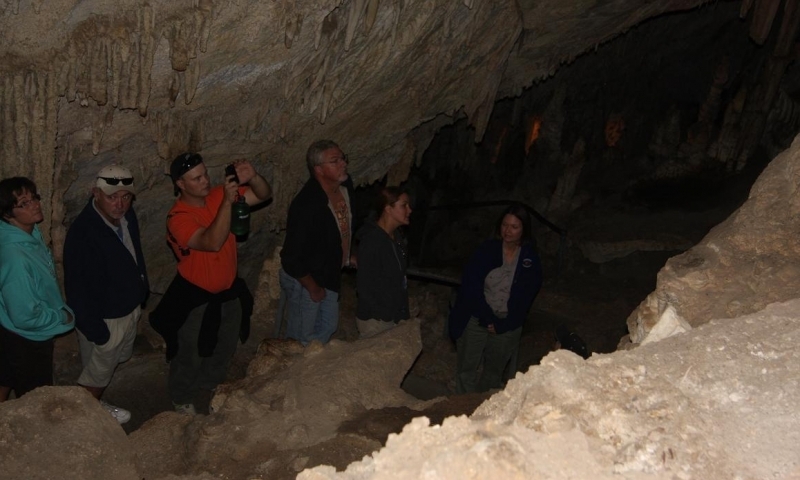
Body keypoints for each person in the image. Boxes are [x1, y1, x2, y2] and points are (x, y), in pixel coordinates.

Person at [150, 153, 271, 415]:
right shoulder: (177, 217)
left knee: (226, 343)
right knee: (188, 351)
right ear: (180, 184)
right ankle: (181, 396)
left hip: (228, 291)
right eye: (196, 178)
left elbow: (263, 195)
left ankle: (211, 382)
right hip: (194, 296)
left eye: (205, 174)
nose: (205, 181)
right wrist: (228, 203)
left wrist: (254, 177)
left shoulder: (217, 195)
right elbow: (211, 242)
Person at [63, 165, 149, 424]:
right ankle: (83, 419)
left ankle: (97, 404)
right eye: (112, 196)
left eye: (125, 196)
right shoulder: (84, 234)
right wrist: (99, 334)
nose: (119, 203)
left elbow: (136, 253)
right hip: (107, 319)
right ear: (95, 193)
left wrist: (142, 288)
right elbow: (77, 289)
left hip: (128, 308)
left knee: (116, 360)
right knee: (96, 375)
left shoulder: (127, 216)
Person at [448, 204, 543, 394]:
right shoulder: (487, 250)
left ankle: (482, 409)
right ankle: (461, 409)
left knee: (493, 372)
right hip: (477, 317)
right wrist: (487, 317)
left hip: (507, 321)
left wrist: (506, 323)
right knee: (466, 368)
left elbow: (527, 295)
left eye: (514, 227)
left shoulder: (529, 258)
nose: (508, 231)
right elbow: (471, 286)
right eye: (505, 225)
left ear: (524, 229)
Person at [0, 177, 75, 401]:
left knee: (6, 377)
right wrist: (60, 317)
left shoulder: (29, 233)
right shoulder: (16, 259)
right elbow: (24, 316)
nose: (35, 205)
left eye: (34, 198)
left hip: (9, 326)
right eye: (24, 203)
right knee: (36, 396)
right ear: (6, 214)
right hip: (26, 337)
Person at [279, 140, 355, 346]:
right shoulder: (307, 205)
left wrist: (347, 256)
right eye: (335, 161)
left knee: (329, 325)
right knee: (303, 336)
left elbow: (341, 229)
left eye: (342, 158)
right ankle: (293, 371)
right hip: (307, 276)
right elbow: (291, 257)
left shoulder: (345, 188)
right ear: (319, 170)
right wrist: (312, 287)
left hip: (328, 271)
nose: (343, 164)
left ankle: (307, 364)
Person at [355, 186, 412, 338]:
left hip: (392, 316)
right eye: (404, 205)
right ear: (388, 209)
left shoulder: (396, 239)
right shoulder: (372, 241)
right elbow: (364, 284)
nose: (409, 210)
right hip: (377, 320)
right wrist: (383, 314)